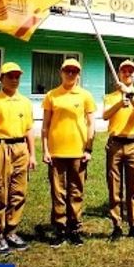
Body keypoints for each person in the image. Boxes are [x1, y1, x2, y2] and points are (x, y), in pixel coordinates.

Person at [0, 61, 36, 254]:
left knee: (19, 192)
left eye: (17, 76)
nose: (14, 79)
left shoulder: (25, 102)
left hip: (21, 148)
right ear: (1, 78)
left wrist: (32, 154)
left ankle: (12, 231)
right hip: (0, 147)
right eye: (10, 76)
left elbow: (28, 130)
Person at [41, 58, 97, 247]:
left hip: (78, 152)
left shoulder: (85, 96)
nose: (70, 74)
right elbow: (45, 126)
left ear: (78, 74)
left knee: (76, 191)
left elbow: (91, 124)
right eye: (67, 71)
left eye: (74, 71)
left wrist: (89, 148)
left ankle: (74, 229)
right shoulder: (52, 95)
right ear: (61, 72)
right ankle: (60, 229)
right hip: (56, 152)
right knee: (58, 192)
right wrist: (45, 150)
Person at [102, 60, 134, 240]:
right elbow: (105, 115)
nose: (127, 73)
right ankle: (116, 225)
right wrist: (119, 104)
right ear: (119, 74)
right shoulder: (110, 96)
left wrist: (128, 93)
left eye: (131, 71)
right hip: (115, 144)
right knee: (114, 186)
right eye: (124, 71)